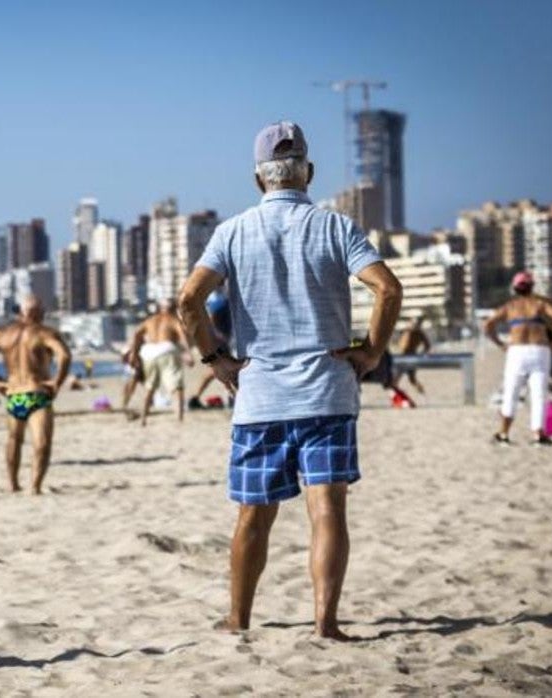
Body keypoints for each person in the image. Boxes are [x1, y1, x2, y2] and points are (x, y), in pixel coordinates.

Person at [177, 121, 402, 640]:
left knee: (253, 515)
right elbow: (387, 290)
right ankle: (326, 623)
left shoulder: (231, 233)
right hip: (327, 392)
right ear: (310, 173)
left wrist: (216, 359)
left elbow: (189, 300)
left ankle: (238, 619)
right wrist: (371, 352)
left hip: (261, 397)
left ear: (259, 180)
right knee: (327, 509)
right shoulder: (335, 228)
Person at [0, 296, 71, 495]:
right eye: (42, 311)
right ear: (39, 313)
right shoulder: (45, 333)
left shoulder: (4, 334)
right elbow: (65, 355)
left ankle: (13, 484)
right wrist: (57, 383)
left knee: (14, 440)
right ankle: (34, 487)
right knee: (41, 442)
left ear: (21, 312)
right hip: (37, 392)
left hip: (15, 394)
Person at [483, 271, 552, 445]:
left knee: (511, 393)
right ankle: (538, 434)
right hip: (540, 350)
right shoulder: (539, 304)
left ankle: (504, 433)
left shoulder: (510, 307)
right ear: (532, 287)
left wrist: (499, 343)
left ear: (515, 288)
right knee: (538, 394)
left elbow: (488, 325)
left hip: (517, 351)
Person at [127, 298, 194, 426]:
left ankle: (144, 418)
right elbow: (182, 336)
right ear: (174, 309)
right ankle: (179, 418)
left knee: (150, 387)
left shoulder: (150, 320)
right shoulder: (173, 320)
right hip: (167, 350)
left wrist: (133, 353)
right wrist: (188, 353)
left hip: (149, 352)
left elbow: (136, 333)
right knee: (177, 385)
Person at [397, 316, 432, 395]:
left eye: (417, 324)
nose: (415, 325)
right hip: (401, 356)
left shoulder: (420, 333)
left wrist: (421, 354)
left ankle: (422, 393)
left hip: (411, 356)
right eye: (414, 323)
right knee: (397, 377)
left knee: (411, 379)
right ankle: (397, 394)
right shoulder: (406, 330)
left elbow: (428, 346)